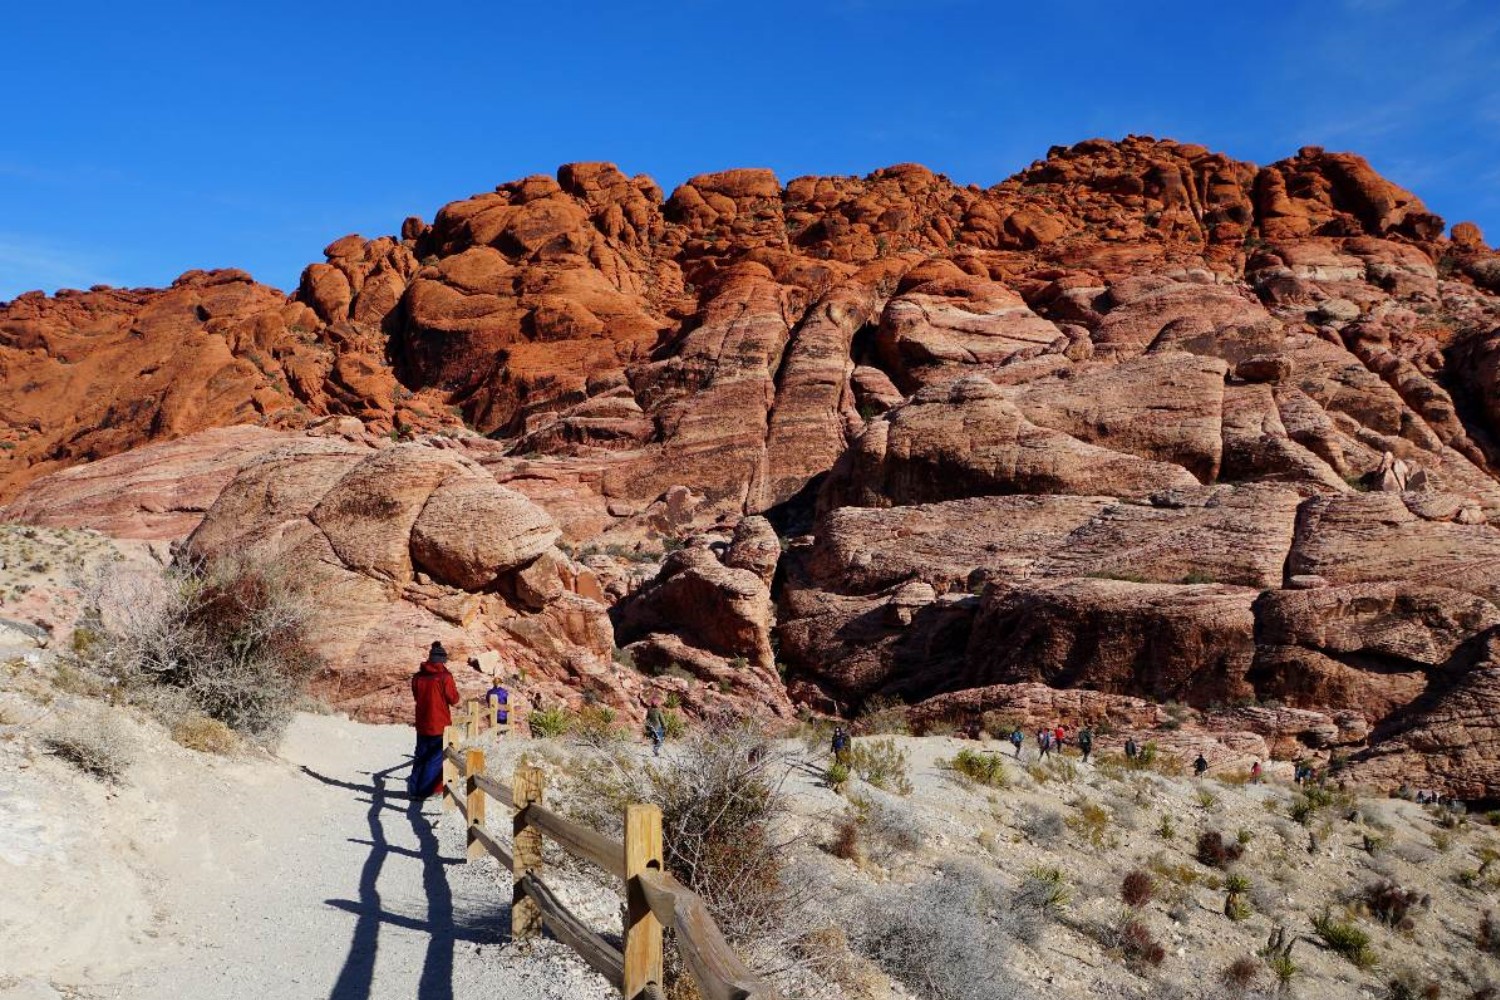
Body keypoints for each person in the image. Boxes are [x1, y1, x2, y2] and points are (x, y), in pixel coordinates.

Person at [407, 641, 460, 800]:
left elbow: (417, 697)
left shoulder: (418, 677)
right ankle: (424, 791)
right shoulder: (445, 676)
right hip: (439, 723)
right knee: (434, 759)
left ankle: (413, 790)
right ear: (442, 660)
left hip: (422, 723)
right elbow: (453, 699)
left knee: (420, 757)